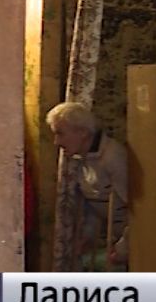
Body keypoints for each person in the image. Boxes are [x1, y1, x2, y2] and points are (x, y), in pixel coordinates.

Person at [45, 101, 129, 271]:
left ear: (82, 132)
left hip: (131, 242)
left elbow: (139, 213)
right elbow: (94, 206)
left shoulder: (113, 158)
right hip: (112, 238)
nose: (56, 142)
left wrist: (123, 249)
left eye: (60, 134)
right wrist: (87, 237)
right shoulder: (83, 159)